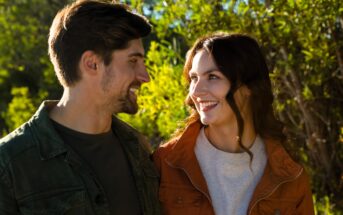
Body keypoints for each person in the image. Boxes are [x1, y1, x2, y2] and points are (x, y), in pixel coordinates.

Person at [0, 0, 160, 214]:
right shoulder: (10, 163)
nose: (145, 76)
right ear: (92, 64)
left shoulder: (138, 148)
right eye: (133, 61)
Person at [153, 33, 315, 215]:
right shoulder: (165, 163)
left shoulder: (290, 177)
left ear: (249, 87)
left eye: (213, 77)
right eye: (194, 78)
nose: (196, 91)